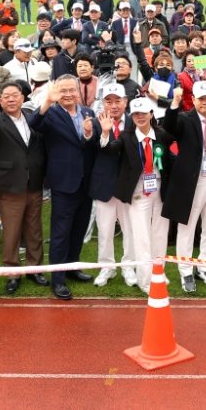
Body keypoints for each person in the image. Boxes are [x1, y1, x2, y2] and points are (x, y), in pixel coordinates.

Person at [31, 74, 97, 300]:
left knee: (79, 229)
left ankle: (72, 267)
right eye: (63, 90)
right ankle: (57, 279)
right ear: (56, 92)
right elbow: (34, 124)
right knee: (60, 233)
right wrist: (47, 101)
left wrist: (89, 134)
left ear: (78, 91)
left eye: (72, 90)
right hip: (63, 182)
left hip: (85, 182)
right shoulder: (50, 113)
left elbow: (91, 143)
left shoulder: (88, 112)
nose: (68, 94)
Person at [162, 80, 206, 293]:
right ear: (193, 100)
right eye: (201, 99)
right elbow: (169, 128)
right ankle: (186, 270)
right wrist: (174, 103)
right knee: (187, 227)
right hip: (193, 181)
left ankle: (205, 265)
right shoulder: (184, 119)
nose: (204, 102)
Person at [103, 97, 172, 294]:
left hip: (160, 191)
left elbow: (170, 156)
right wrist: (106, 133)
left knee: (159, 234)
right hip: (138, 193)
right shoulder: (126, 137)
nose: (140, 117)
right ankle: (145, 279)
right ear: (132, 116)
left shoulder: (162, 134)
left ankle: (159, 272)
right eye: (135, 114)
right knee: (141, 237)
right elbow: (109, 149)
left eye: (143, 113)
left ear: (151, 114)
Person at [0, 81, 48, 294]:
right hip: (10, 185)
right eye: (6, 96)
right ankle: (12, 272)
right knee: (11, 231)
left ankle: (35, 268)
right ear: (0, 101)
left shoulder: (33, 119)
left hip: (34, 183)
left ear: (23, 98)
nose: (11, 99)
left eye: (15, 95)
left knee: (34, 229)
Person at [87, 83, 132, 289]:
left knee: (129, 229)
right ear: (102, 103)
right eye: (108, 101)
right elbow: (92, 148)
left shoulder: (135, 120)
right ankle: (106, 267)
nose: (113, 106)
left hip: (128, 186)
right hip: (104, 184)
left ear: (125, 102)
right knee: (104, 230)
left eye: (117, 101)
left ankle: (128, 266)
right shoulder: (94, 123)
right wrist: (104, 134)